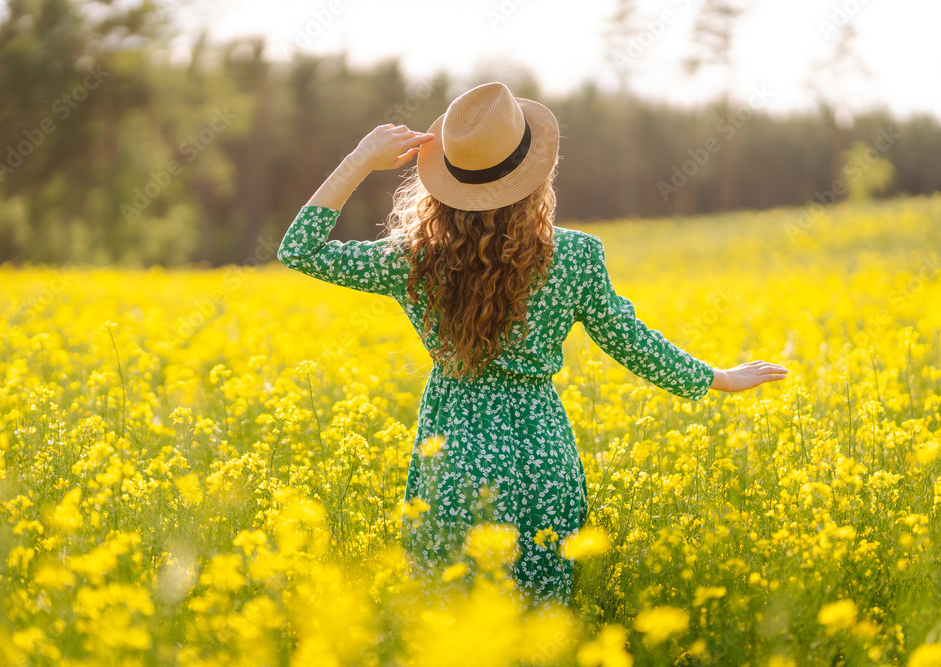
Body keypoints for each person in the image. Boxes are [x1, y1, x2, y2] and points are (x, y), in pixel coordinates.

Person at [278, 82, 788, 609]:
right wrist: (719, 378)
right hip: (542, 459)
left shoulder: (415, 258)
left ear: (447, 180)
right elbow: (632, 342)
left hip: (453, 457)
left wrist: (361, 159)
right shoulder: (574, 257)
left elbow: (299, 249)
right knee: (542, 623)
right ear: (537, 174)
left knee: (454, 625)